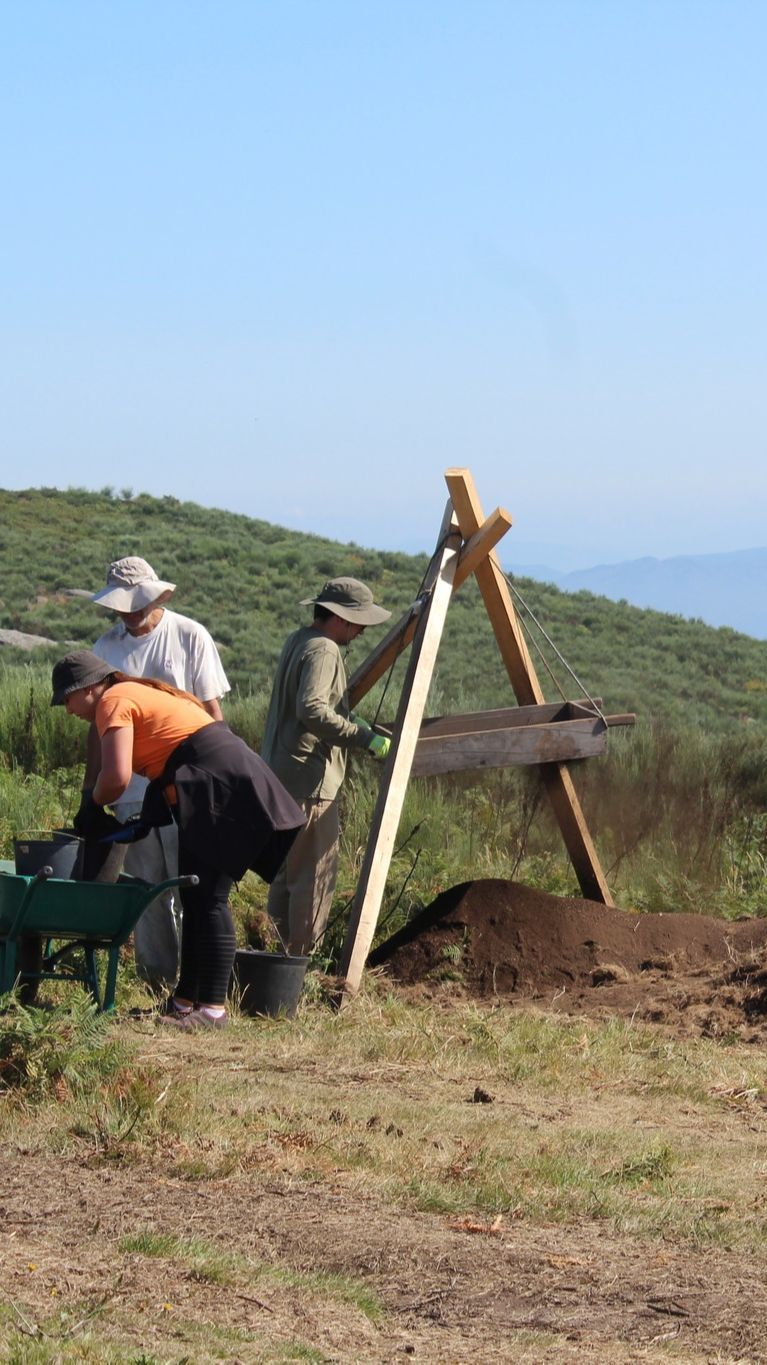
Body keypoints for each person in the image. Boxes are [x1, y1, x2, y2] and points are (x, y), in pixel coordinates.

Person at [53, 650, 305, 1029]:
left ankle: (213, 1011)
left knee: (211, 899)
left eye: (67, 700)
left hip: (218, 785)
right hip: (209, 782)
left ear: (87, 688)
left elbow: (117, 777)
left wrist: (92, 803)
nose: (68, 711)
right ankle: (186, 1002)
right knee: (195, 894)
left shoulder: (113, 700)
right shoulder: (126, 693)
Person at [79, 556, 230, 988]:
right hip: (131, 787)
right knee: (147, 891)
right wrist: (91, 788)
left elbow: (212, 711)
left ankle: (198, 984)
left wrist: (223, 773)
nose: (129, 612)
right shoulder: (105, 649)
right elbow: (98, 728)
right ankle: (157, 983)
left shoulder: (188, 635)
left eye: (136, 602)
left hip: (186, 784)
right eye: (122, 605)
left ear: (153, 596)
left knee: (193, 886)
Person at [261, 577, 392, 956]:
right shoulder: (324, 650)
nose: (363, 631)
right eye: (359, 622)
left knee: (285, 876)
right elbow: (312, 709)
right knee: (312, 877)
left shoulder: (298, 640)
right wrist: (362, 737)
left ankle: (271, 958)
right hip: (309, 782)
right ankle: (299, 967)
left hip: (281, 776)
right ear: (340, 618)